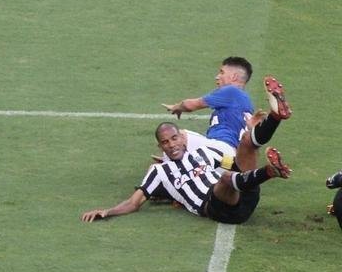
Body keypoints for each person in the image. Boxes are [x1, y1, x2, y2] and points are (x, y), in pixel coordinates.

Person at [82, 81, 294, 225]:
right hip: (218, 208)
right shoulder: (159, 171)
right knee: (226, 179)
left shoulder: (205, 151)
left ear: (183, 138)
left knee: (247, 144)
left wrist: (248, 133)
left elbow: (236, 160)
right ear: (160, 148)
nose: (171, 145)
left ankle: (276, 116)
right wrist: (107, 212)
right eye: (165, 142)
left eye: (174, 138)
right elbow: (134, 203)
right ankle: (270, 171)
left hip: (244, 197)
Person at [162, 56, 257, 153]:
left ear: (234, 77)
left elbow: (190, 105)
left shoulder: (231, 91)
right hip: (234, 155)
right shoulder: (247, 103)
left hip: (221, 147)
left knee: (178, 136)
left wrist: (176, 107)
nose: (217, 76)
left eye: (222, 72)